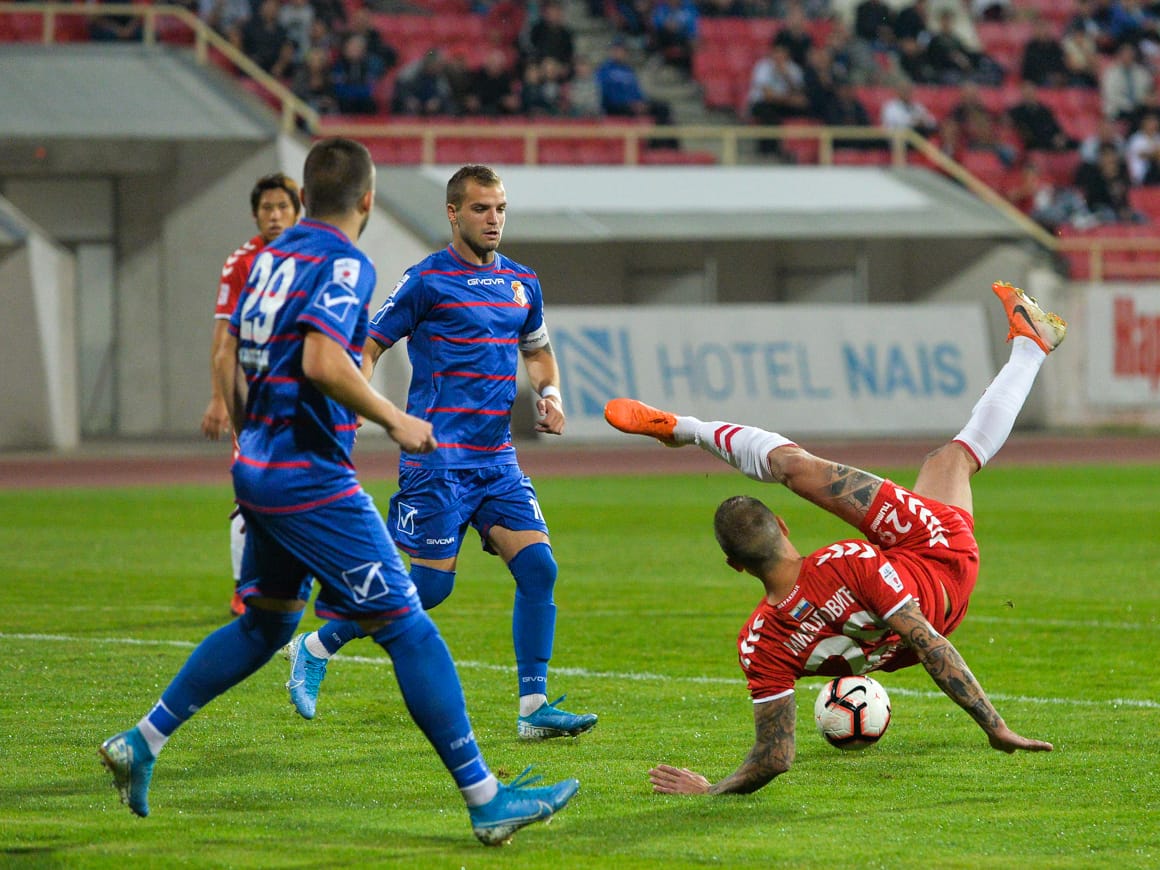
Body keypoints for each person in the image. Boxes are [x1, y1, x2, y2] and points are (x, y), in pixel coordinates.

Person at [98, 139, 579, 845]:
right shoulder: (347, 263)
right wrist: (392, 418)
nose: (495, 217)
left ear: (303, 198)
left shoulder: (268, 259)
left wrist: (253, 429)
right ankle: (486, 799)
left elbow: (233, 354)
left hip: (260, 465)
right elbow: (327, 359)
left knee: (264, 626)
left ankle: (141, 741)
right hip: (312, 477)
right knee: (412, 623)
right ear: (369, 199)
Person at [603, 280, 1062, 795]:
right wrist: (994, 726)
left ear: (735, 566)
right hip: (937, 561)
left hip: (911, 631)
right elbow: (930, 644)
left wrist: (709, 791)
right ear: (783, 526)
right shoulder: (848, 560)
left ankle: (1032, 344)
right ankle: (685, 429)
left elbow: (774, 757)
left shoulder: (759, 643)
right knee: (837, 466)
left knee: (945, 463)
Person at [284, 164, 599, 743]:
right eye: (481, 209)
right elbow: (369, 346)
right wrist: (357, 405)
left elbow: (538, 352)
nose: (494, 220)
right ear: (453, 214)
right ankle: (316, 645)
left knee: (539, 568)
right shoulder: (426, 280)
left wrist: (550, 395)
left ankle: (532, 708)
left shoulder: (522, 282)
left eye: (500, 209)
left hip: (497, 459)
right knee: (429, 590)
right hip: (437, 460)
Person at [201, 172, 302, 617]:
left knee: (304, 489)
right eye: (267, 208)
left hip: (304, 399)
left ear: (297, 212)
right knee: (250, 487)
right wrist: (220, 397)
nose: (275, 215)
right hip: (258, 398)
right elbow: (224, 337)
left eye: (282, 207)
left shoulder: (312, 257)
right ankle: (245, 589)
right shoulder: (242, 263)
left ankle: (292, 579)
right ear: (255, 215)